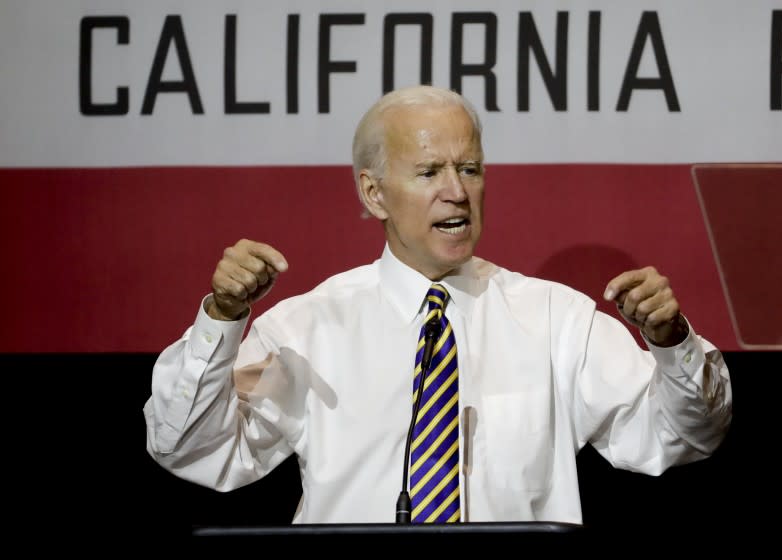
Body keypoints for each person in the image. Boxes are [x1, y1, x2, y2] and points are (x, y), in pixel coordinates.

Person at [144, 85, 732, 525]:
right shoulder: (309, 327)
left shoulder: (556, 320)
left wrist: (671, 340)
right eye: (429, 171)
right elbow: (193, 450)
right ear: (374, 193)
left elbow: (682, 437)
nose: (456, 190)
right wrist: (221, 319)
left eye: (469, 168)